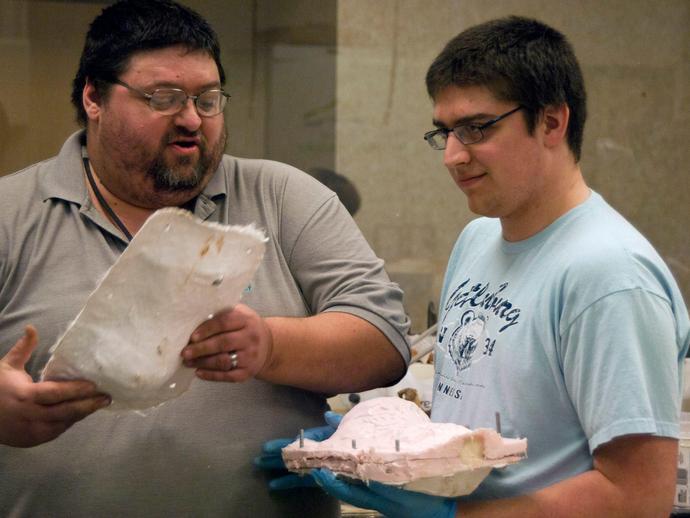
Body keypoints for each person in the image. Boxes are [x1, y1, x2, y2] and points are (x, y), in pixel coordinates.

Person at [262, 16, 690, 517]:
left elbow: (639, 497)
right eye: (443, 131)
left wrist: (458, 517)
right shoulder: (479, 237)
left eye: (475, 129)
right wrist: (378, 447)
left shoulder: (610, 277)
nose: (452, 155)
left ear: (553, 122)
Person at [0, 1, 410, 516]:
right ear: (93, 97)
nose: (192, 118)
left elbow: (386, 337)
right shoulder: (10, 215)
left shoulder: (284, 198)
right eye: (164, 98)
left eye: (208, 98)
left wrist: (271, 345)